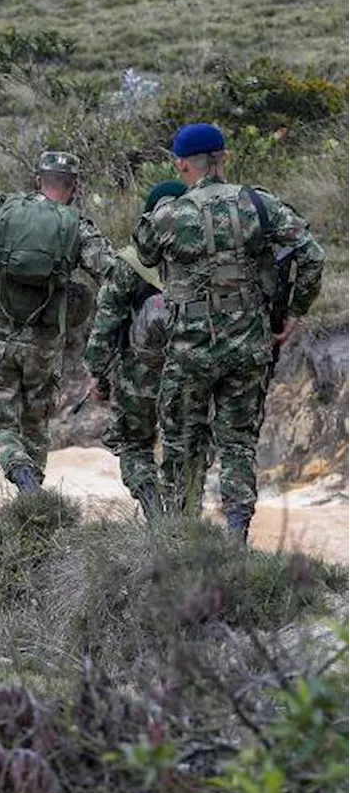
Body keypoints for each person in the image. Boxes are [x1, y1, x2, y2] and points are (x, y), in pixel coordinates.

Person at [133, 124, 324, 541]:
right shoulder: (260, 204)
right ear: (225, 157)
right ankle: (237, 534)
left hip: (190, 348)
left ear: (183, 164)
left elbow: (144, 252)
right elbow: (312, 255)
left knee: (182, 443)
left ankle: (182, 536)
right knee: (238, 443)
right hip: (248, 342)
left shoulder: (170, 212)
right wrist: (293, 311)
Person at [0, 151, 114, 494]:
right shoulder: (77, 227)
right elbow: (110, 271)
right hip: (44, 347)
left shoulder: (5, 212)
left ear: (37, 181)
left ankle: (20, 473)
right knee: (36, 424)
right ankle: (32, 493)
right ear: (75, 186)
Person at [85, 181, 186, 521]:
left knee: (135, 445)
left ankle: (154, 510)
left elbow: (105, 324)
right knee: (185, 441)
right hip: (190, 367)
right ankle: (184, 515)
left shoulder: (129, 262)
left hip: (138, 372)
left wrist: (98, 376)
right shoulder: (206, 258)